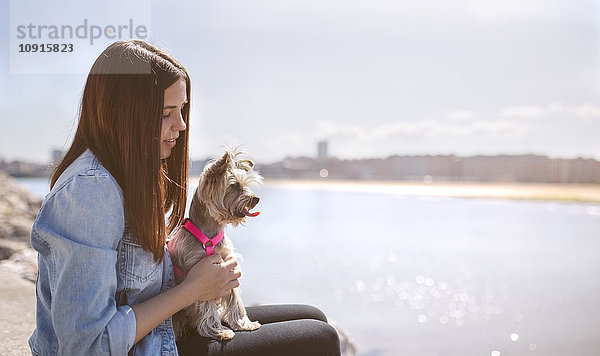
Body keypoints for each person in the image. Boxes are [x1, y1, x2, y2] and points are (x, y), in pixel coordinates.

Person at [28, 40, 340, 356]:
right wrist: (193, 289)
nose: (182, 125)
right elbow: (88, 347)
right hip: (142, 345)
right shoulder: (90, 192)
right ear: (125, 116)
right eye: (166, 113)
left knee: (313, 316)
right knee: (320, 337)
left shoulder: (124, 174)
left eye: (182, 110)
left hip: (160, 329)